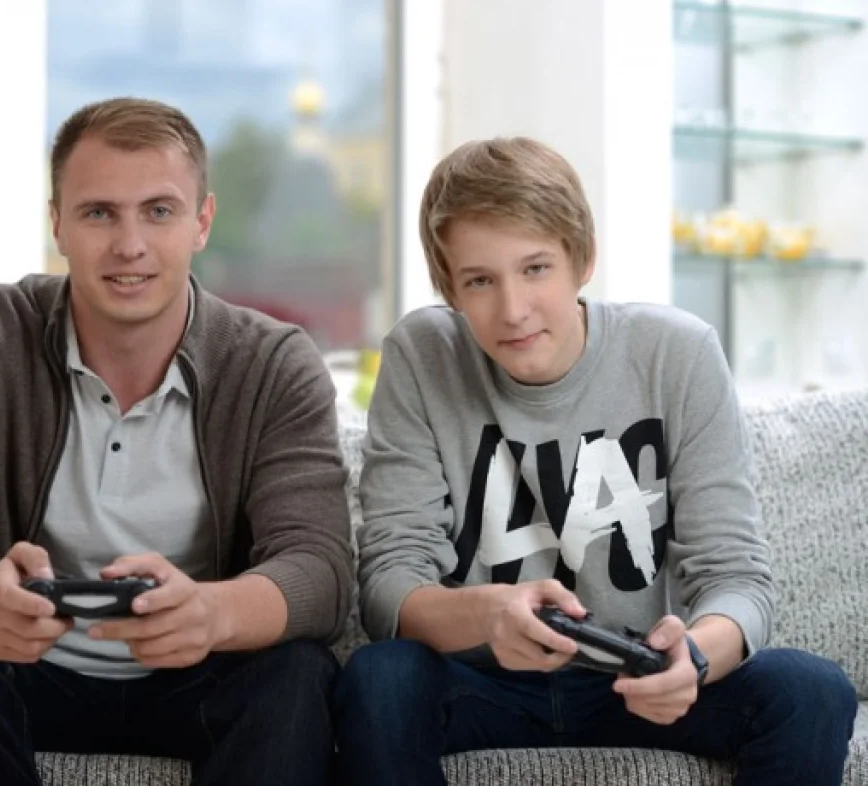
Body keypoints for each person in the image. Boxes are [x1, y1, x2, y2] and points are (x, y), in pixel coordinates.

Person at [0, 96, 353, 786]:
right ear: (57, 222)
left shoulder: (273, 363)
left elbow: (320, 569)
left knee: (296, 673)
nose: (129, 245)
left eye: (159, 210)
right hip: (24, 665)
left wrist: (211, 613)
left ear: (202, 221)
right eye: (98, 213)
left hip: (198, 669)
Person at [332, 136, 857, 786]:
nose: (513, 310)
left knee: (811, 689)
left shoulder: (677, 353)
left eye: (535, 269)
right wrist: (489, 615)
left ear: (583, 260)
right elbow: (390, 581)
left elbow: (736, 578)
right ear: (449, 288)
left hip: (634, 677)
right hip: (482, 679)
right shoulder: (422, 355)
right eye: (480, 281)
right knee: (379, 680)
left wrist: (692, 658)